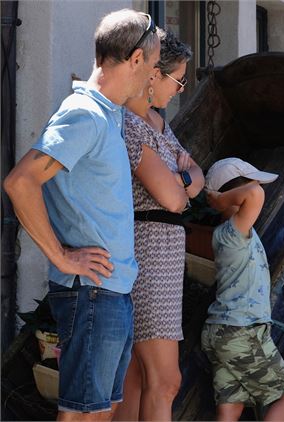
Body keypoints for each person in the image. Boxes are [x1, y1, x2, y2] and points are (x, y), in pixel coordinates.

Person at [3, 9, 160, 420]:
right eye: (155, 65)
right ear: (136, 59)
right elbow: (21, 182)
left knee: (101, 411)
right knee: (82, 415)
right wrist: (60, 256)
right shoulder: (85, 115)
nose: (154, 78)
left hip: (110, 292)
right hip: (92, 292)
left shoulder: (108, 115)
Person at [112, 29, 204, 421]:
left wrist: (183, 182)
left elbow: (198, 174)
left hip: (163, 252)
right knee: (165, 380)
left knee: (137, 377)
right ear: (153, 75)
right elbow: (174, 196)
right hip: (146, 251)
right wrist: (184, 181)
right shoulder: (131, 127)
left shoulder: (159, 124)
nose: (180, 89)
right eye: (178, 79)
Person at [200, 158, 284, 421]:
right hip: (241, 331)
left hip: (222, 333)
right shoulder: (232, 232)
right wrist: (220, 200)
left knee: (231, 408)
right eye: (250, 182)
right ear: (235, 194)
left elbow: (258, 276)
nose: (256, 187)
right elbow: (255, 194)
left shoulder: (239, 235)